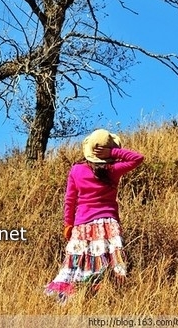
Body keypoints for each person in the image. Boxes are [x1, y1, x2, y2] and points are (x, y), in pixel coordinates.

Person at [45, 128, 144, 301]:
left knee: (79, 263)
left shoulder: (76, 170)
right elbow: (138, 158)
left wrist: (68, 224)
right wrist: (114, 152)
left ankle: (73, 296)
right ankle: (108, 296)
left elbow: (70, 200)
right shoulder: (112, 170)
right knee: (111, 263)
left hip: (82, 225)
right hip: (108, 224)